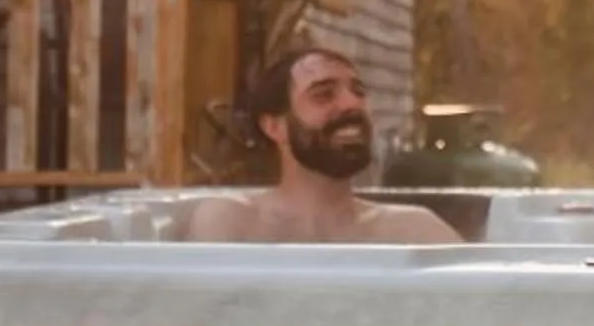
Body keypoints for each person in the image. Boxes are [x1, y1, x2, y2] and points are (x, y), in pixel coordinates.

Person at [178, 46, 461, 244]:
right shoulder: (233, 222)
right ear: (274, 127)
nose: (352, 103)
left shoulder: (411, 231)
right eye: (324, 95)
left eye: (358, 92)